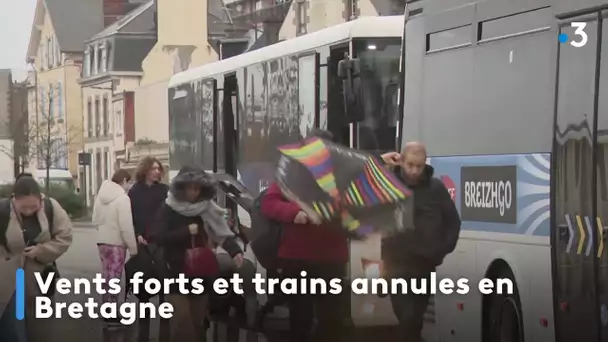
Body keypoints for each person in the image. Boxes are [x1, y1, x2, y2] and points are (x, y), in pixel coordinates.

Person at [260, 129, 351, 342]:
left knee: (332, 319)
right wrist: (294, 213)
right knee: (301, 318)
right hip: (298, 259)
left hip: (332, 259)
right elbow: (269, 203)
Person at [378, 142, 461, 342]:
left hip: (424, 266)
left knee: (415, 320)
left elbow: (453, 222)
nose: (414, 171)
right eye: (410, 165)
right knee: (407, 318)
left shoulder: (436, 188)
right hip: (397, 266)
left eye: (419, 166)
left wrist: (441, 250)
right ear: (402, 162)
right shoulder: (389, 186)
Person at [151, 165, 244, 342]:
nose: (194, 192)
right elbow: (158, 236)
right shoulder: (168, 207)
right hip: (175, 273)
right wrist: (186, 231)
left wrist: (235, 252)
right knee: (183, 325)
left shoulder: (208, 208)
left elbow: (221, 232)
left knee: (198, 323)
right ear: (182, 187)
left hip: (201, 274)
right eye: (190, 188)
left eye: (198, 188)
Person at [0, 174, 73, 342]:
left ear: (40, 198)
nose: (28, 211)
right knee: (15, 328)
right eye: (23, 207)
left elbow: (65, 236)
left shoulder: (51, 207)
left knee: (40, 330)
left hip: (41, 277)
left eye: (33, 207)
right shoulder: (3, 211)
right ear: (14, 200)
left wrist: (42, 250)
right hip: (12, 279)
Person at [127, 156, 170, 341]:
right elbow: (131, 216)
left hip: (161, 240)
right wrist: (137, 234)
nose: (158, 172)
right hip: (142, 240)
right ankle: (143, 317)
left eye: (159, 168)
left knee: (163, 277)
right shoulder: (135, 192)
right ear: (145, 171)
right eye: (154, 168)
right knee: (143, 276)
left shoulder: (165, 191)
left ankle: (165, 319)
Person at [92, 169, 138, 324]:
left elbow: (95, 220)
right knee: (114, 277)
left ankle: (106, 308)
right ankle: (111, 312)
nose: (129, 185)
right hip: (116, 243)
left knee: (106, 277)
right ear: (124, 180)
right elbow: (126, 226)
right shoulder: (123, 199)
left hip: (102, 242)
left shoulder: (101, 196)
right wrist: (133, 248)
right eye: (129, 182)